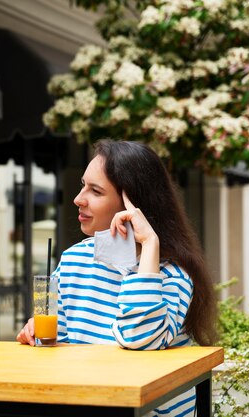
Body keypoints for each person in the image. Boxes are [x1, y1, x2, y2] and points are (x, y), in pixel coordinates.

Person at [17, 139, 217, 417]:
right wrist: (36, 330)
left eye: (95, 191)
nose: (78, 198)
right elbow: (56, 345)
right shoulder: (75, 259)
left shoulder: (173, 272)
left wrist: (149, 245)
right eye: (82, 185)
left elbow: (142, 339)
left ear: (134, 203)